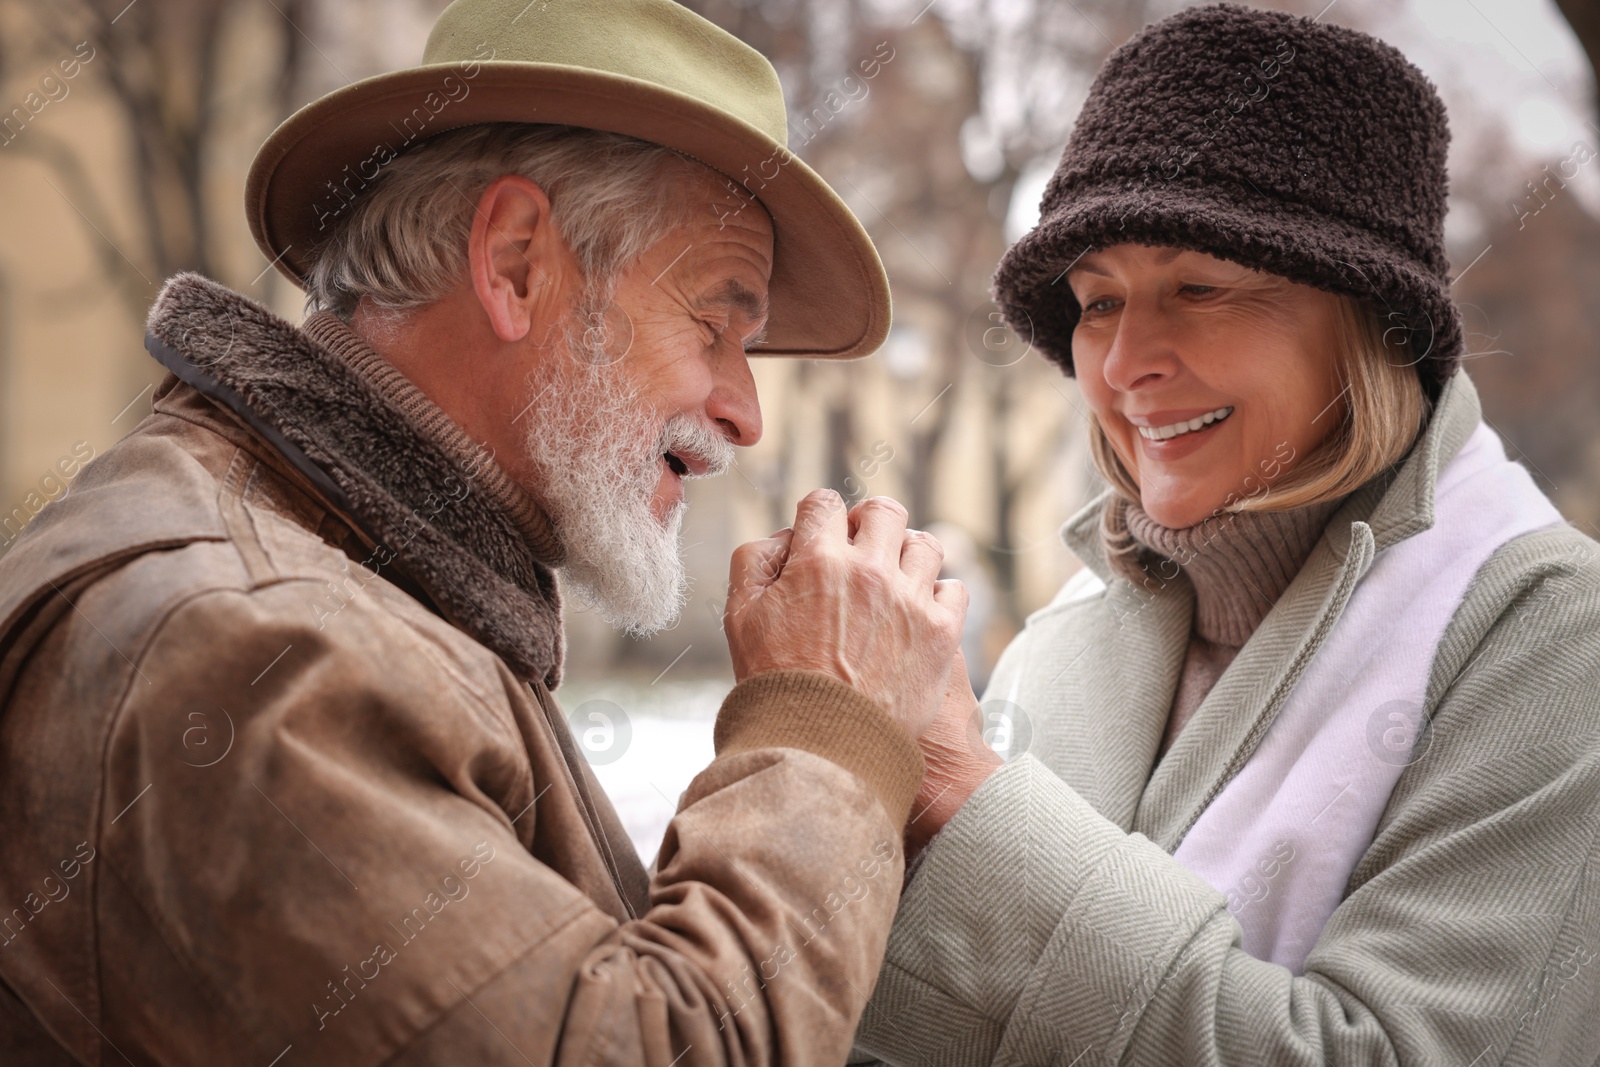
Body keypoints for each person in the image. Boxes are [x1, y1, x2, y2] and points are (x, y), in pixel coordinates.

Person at [0, 0, 968, 1063]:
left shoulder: (367, 587)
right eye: (712, 322)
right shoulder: (245, 641)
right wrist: (826, 723)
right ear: (512, 263)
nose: (745, 410)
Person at [853, 5, 1600, 1065]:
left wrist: (962, 808)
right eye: (1097, 301)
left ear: (1371, 322)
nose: (1121, 364)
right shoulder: (1064, 640)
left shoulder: (1553, 641)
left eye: (1195, 287)